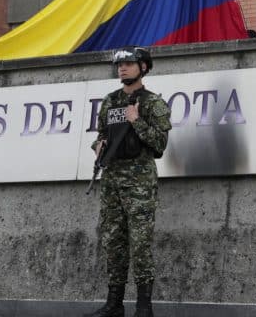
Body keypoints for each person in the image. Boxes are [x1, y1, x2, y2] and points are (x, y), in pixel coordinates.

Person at [85, 46, 172, 317]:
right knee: (114, 241)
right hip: (112, 179)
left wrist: (136, 122)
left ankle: (144, 307)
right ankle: (114, 304)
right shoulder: (110, 101)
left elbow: (159, 144)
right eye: (119, 65)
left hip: (139, 182)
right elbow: (101, 134)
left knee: (140, 242)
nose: (122, 68)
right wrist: (98, 144)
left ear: (143, 67)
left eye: (129, 64)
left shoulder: (152, 103)